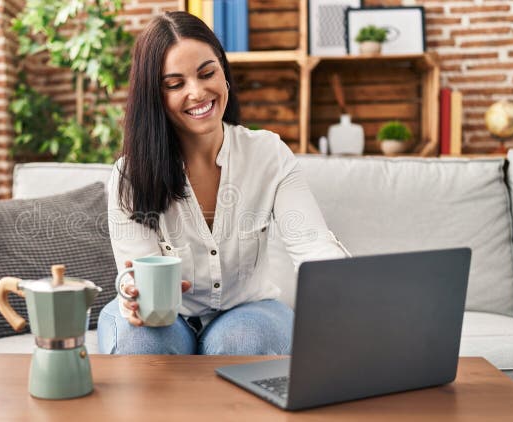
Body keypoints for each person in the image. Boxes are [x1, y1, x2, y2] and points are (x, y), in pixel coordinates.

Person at [98, 11, 349, 355]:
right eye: (175, 84)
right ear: (154, 96)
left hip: (248, 308)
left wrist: (350, 287)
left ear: (224, 73)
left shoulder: (268, 154)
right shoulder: (131, 174)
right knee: (139, 340)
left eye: (207, 73)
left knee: (243, 340)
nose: (198, 92)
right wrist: (133, 292)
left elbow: (313, 246)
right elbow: (135, 272)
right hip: (167, 316)